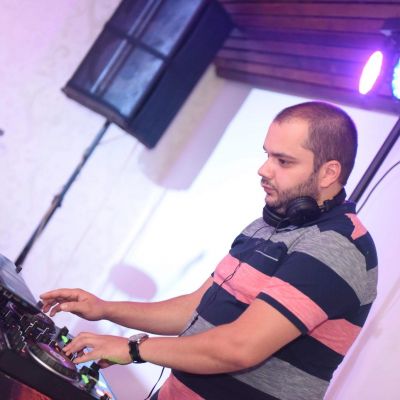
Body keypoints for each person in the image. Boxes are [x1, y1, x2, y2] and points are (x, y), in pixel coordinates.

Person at [40, 101, 378, 400]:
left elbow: (240, 347)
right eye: (267, 155)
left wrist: (134, 348)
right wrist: (105, 308)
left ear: (328, 173)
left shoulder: (337, 246)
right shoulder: (269, 225)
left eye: (283, 161)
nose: (264, 169)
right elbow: (195, 308)